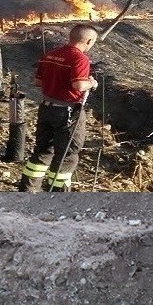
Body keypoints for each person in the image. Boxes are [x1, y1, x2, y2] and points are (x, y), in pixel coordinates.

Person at [19, 23, 100, 192]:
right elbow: (78, 85)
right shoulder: (80, 58)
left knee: (43, 150)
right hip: (67, 112)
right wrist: (91, 83)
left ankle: (28, 190)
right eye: (92, 42)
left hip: (46, 108)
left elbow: (37, 81)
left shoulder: (50, 54)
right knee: (68, 155)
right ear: (89, 40)